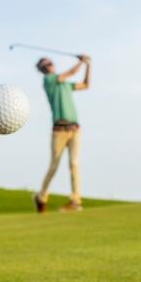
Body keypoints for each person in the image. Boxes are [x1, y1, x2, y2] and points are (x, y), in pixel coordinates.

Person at [34, 55, 92, 213]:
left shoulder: (65, 84)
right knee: (54, 166)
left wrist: (88, 66)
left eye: (49, 63)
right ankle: (41, 197)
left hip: (74, 129)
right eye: (44, 65)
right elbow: (71, 72)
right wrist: (81, 61)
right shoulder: (49, 81)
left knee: (74, 164)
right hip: (59, 131)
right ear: (42, 70)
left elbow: (86, 84)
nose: (48, 66)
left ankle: (75, 201)